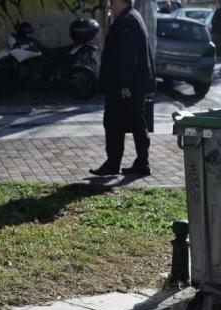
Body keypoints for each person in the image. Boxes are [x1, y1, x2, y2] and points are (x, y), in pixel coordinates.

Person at [90, 0, 156, 177]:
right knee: (134, 123)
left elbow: (128, 55)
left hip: (125, 85)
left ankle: (117, 164)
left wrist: (125, 84)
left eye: (112, 2)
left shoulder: (127, 21)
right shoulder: (132, 17)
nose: (110, 5)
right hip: (132, 84)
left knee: (114, 123)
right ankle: (139, 163)